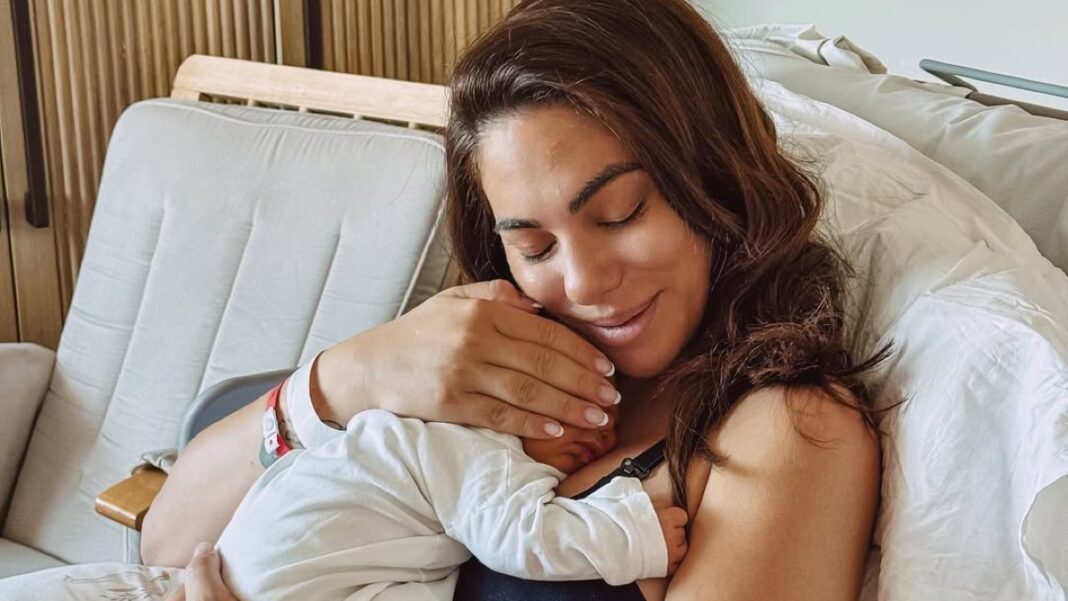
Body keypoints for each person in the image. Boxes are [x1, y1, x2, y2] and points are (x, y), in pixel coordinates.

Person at [145, 0, 886, 600]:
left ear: (716, 179)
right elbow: (171, 540)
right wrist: (348, 376)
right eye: (533, 247)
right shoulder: (483, 365)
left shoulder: (787, 432)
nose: (584, 284)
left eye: (622, 214)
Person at [214, 384, 688, 600]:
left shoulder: (405, 434)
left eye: (611, 422)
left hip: (251, 565)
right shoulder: (478, 447)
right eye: (585, 409)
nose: (604, 431)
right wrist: (635, 537)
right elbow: (523, 537)